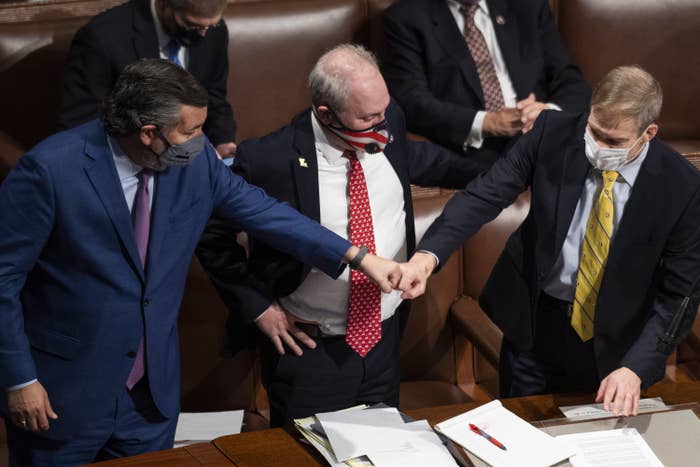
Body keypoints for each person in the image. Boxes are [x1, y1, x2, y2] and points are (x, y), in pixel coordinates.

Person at [0, 58, 401, 466]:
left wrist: (356, 256)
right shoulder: (49, 171)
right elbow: (3, 280)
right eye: (190, 131)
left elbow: (266, 214)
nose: (200, 140)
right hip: (62, 395)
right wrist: (20, 379)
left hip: (150, 398)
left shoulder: (195, 164)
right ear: (148, 134)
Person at [196, 44, 481, 426]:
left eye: (384, 111)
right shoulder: (269, 159)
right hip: (310, 352)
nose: (383, 126)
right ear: (326, 113)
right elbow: (210, 234)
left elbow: (429, 162)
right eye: (368, 117)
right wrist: (258, 307)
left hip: (382, 339)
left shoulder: (387, 118)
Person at [399, 66, 700, 417]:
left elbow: (679, 295)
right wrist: (428, 255)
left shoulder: (683, 189)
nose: (597, 148)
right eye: (594, 131)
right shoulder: (552, 133)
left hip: (619, 345)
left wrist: (636, 367)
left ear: (648, 133)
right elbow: (483, 194)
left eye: (614, 142)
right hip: (536, 328)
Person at [382, 0, 591, 169]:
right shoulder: (407, 17)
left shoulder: (527, 5)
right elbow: (412, 101)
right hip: (472, 149)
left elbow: (570, 79)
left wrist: (548, 114)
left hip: (541, 136)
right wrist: (487, 123)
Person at [57, 0, 238, 159]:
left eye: (210, 26)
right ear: (164, 3)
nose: (203, 34)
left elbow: (213, 96)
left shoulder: (215, 31)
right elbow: (80, 120)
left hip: (194, 155)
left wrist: (223, 141)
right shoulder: (102, 37)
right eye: (191, 25)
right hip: (130, 157)